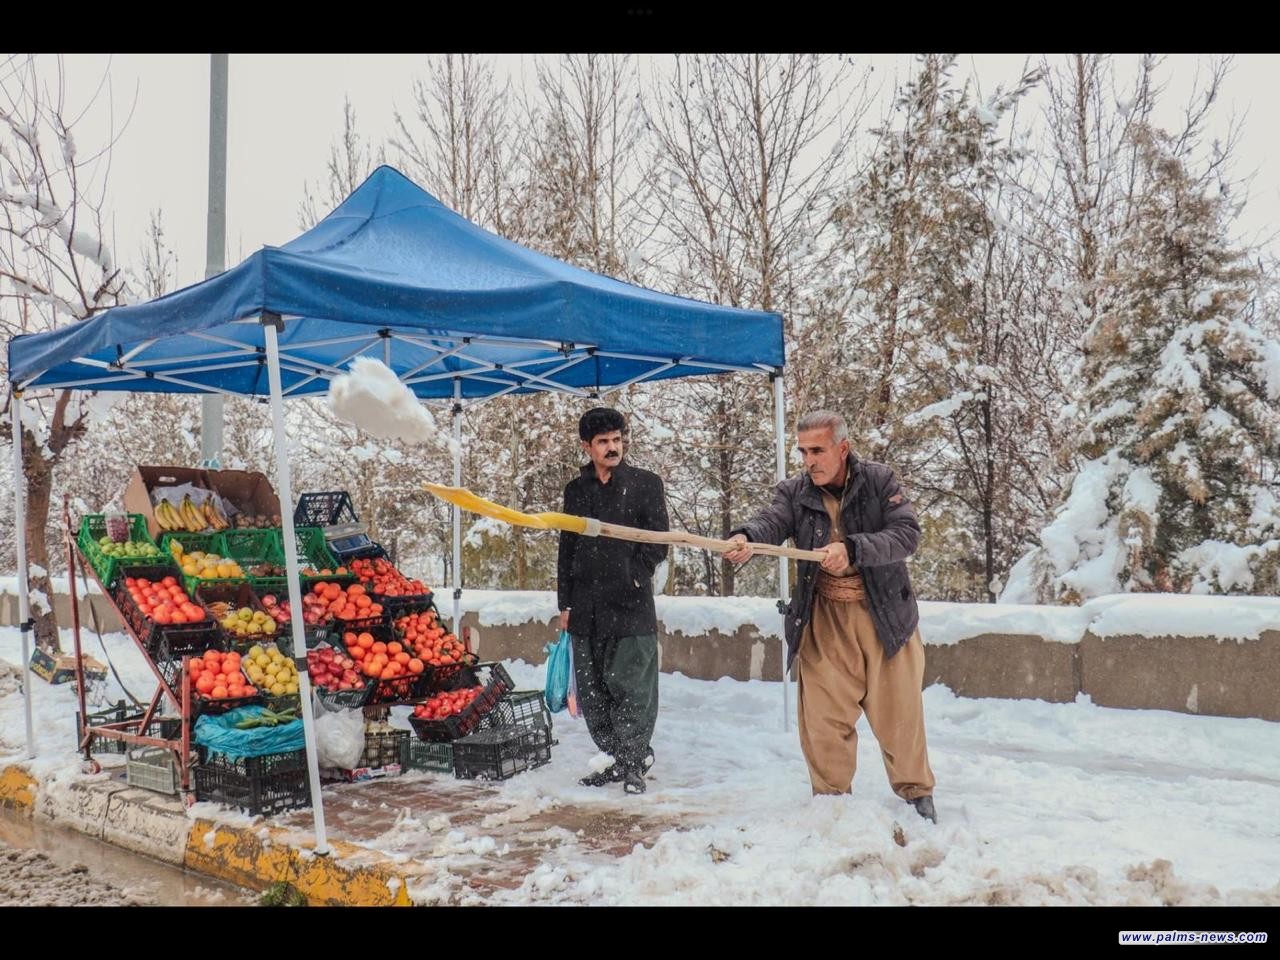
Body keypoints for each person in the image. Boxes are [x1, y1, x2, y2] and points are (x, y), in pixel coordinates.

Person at [724, 410, 937, 822]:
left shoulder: (879, 481)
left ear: (843, 448)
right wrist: (747, 537)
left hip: (885, 618)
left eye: (818, 450)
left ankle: (916, 794)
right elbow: (773, 520)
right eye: (803, 452)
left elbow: (906, 533)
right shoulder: (794, 491)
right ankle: (832, 803)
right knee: (823, 720)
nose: (810, 460)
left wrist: (853, 549)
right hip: (823, 620)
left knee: (900, 716)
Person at [557, 407, 670, 795]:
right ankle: (613, 757)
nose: (612, 448)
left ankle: (634, 762)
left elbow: (659, 542)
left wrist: (634, 575)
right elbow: (566, 547)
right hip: (586, 609)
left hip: (631, 606)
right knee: (594, 691)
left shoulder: (645, 484)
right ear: (587, 446)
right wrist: (565, 604)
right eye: (603, 441)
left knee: (633, 688)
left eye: (617, 440)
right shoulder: (576, 491)